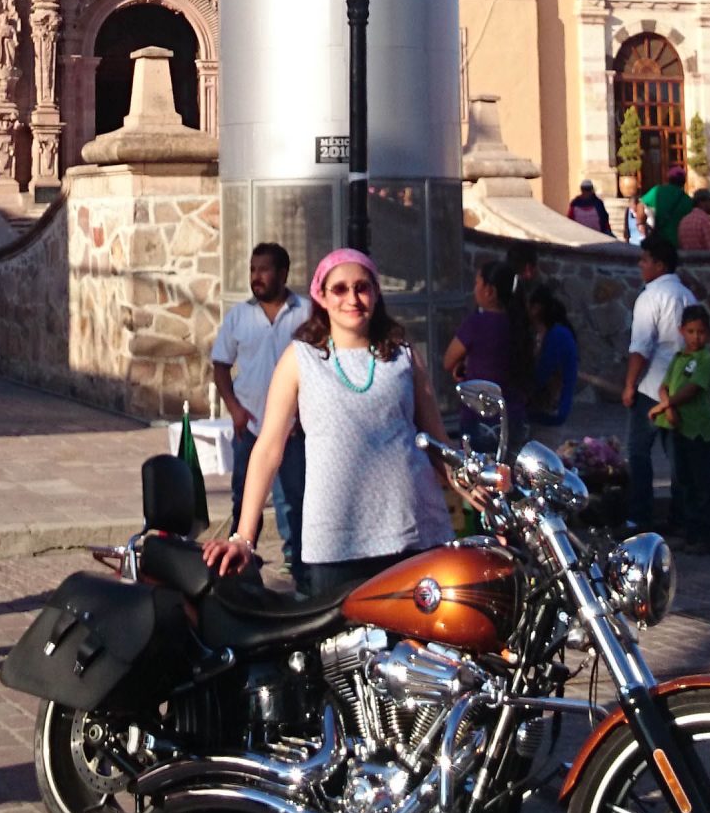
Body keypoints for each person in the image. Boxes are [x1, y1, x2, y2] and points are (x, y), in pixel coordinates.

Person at [205, 249, 451, 598]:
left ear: (376, 293)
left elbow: (438, 446)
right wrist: (244, 537)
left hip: (413, 536)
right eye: (340, 289)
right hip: (338, 544)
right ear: (320, 296)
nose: (352, 298)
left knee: (420, 651)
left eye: (362, 287)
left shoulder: (403, 353)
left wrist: (488, 498)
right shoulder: (300, 358)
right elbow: (269, 448)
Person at [210, 242, 309, 588]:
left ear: (283, 274)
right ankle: (241, 561)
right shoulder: (239, 316)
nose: (257, 277)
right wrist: (235, 410)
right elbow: (220, 366)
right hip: (250, 427)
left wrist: (303, 415)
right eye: (253, 270)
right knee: (244, 495)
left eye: (264, 269)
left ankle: (296, 564)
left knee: (293, 498)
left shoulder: (306, 314)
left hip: (294, 430)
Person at [620, 233, 696, 529]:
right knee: (678, 456)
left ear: (660, 264)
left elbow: (641, 347)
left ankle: (640, 515)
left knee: (639, 452)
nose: (641, 265)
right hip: (682, 385)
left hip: (653, 386)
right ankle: (681, 515)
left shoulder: (650, 296)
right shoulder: (688, 295)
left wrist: (629, 384)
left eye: (645, 260)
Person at [650, 303, 710, 553]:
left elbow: (692, 389)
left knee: (703, 484)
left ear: (708, 333)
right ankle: (691, 533)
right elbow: (664, 386)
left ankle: (709, 535)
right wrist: (667, 407)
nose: (695, 337)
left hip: (698, 430)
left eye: (700, 332)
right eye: (690, 331)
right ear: (682, 331)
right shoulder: (679, 358)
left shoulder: (705, 359)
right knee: (684, 482)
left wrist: (664, 406)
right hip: (678, 428)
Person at [442, 257, 534, 443]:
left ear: (489, 291)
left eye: (477, 283)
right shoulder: (520, 325)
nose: (474, 289)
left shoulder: (476, 324)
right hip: (515, 418)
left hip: (480, 419)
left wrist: (461, 366)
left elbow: (448, 361)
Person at [526, 284, 579, 429]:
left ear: (535, 308)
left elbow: (541, 375)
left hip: (549, 414)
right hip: (540, 413)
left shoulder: (557, 336)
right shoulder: (542, 334)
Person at [640, 163, 693, 250]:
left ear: (668, 179)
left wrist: (641, 224)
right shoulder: (687, 200)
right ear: (684, 181)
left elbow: (640, 205)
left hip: (659, 241)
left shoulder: (657, 191)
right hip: (678, 243)